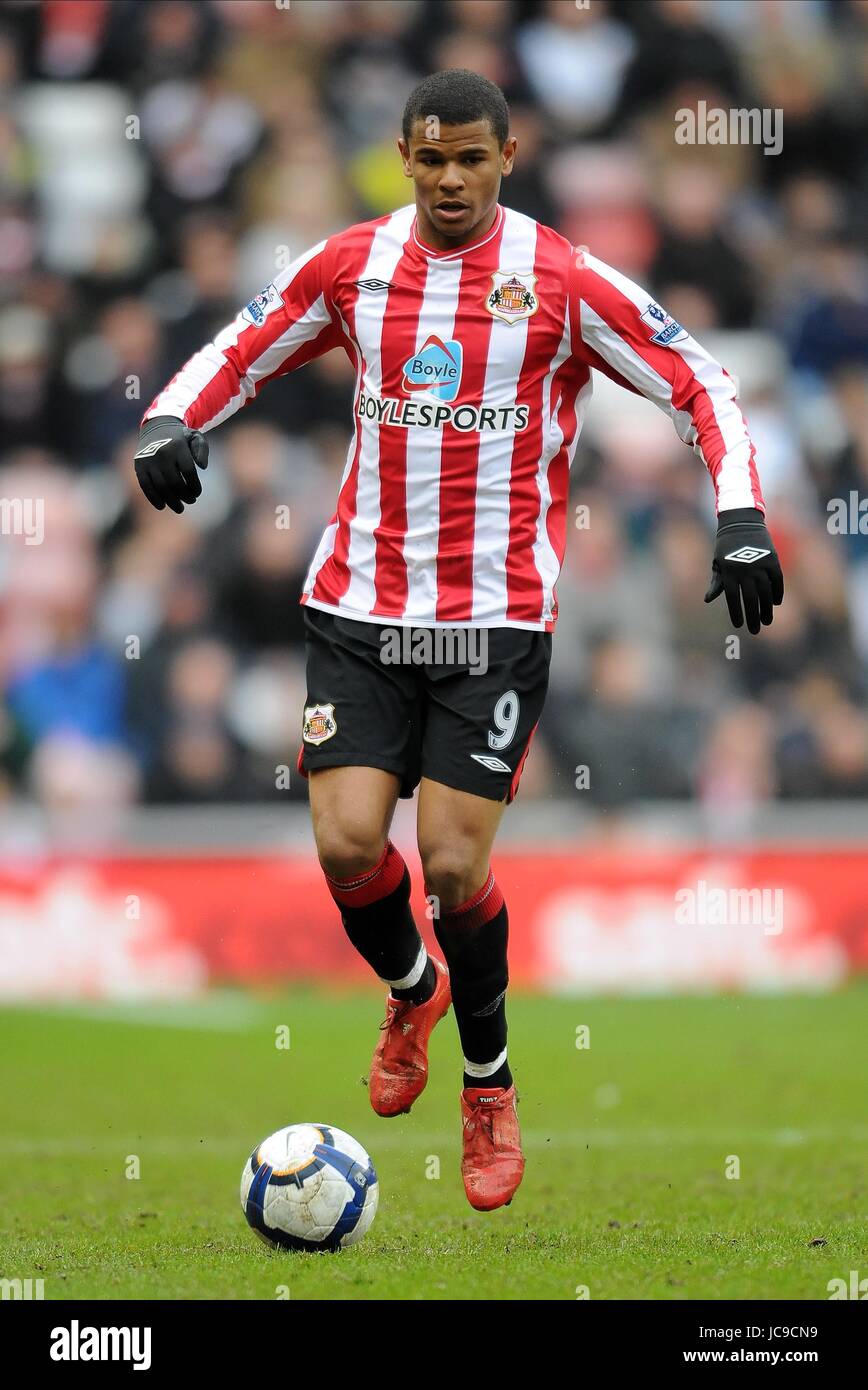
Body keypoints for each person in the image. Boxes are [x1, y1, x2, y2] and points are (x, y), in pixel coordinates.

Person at [133, 68, 784, 1213]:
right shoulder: (352, 265)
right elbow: (241, 339)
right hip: (357, 604)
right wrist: (173, 415)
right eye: (428, 159)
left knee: (450, 861)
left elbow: (699, 376)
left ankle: (488, 1083)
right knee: (345, 847)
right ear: (402, 155)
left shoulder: (558, 279)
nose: (447, 179)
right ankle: (411, 985)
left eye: (469, 160)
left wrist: (737, 515)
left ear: (507, 157)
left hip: (491, 620)